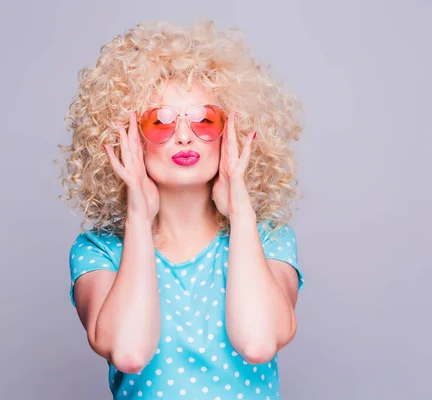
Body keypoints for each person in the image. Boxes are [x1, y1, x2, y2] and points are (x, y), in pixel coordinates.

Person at [58, 19, 305, 400]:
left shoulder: (269, 240)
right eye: (160, 121)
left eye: (205, 119)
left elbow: (258, 343)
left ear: (231, 131)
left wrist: (241, 215)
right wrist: (139, 218)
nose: (185, 136)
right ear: (128, 135)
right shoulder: (99, 251)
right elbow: (129, 352)